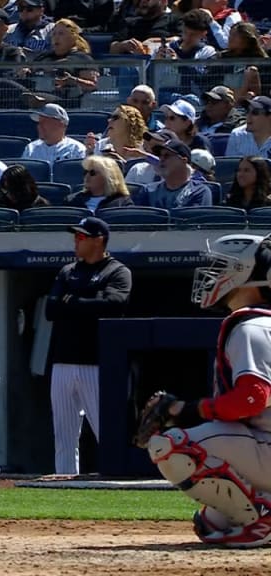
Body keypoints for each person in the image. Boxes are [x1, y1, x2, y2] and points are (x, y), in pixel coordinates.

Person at [133, 233, 271, 547]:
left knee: (171, 446)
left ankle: (263, 522)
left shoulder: (250, 326)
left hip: (267, 447)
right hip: (264, 444)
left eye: (223, 265)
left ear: (246, 272)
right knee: (211, 523)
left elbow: (252, 397)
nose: (214, 273)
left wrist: (185, 410)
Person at [46, 216, 131, 475]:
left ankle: (115, 480)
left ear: (99, 241)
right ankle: (64, 482)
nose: (76, 241)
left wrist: (74, 302)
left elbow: (114, 304)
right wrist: (89, 301)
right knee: (64, 434)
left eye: (81, 237)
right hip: (62, 361)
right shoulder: (68, 270)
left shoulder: (117, 271)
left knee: (105, 431)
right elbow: (51, 308)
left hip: (96, 362)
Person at [138, 138, 213, 208]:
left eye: (167, 155)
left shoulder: (199, 192)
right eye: (160, 156)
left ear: (183, 161)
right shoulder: (148, 190)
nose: (161, 159)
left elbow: (194, 220)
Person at [109, 0, 183, 54]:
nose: (143, 2)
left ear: (163, 1)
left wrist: (152, 42)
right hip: (134, 66)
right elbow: (112, 48)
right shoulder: (129, 22)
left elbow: (180, 40)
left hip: (162, 63)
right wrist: (124, 45)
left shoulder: (174, 20)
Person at [22, 103, 87, 166]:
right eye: (39, 122)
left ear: (61, 124)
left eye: (45, 122)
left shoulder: (77, 149)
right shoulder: (31, 149)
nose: (39, 126)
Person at [65, 155, 133, 211]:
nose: (87, 176)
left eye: (92, 173)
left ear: (107, 177)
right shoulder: (72, 201)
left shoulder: (123, 203)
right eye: (85, 172)